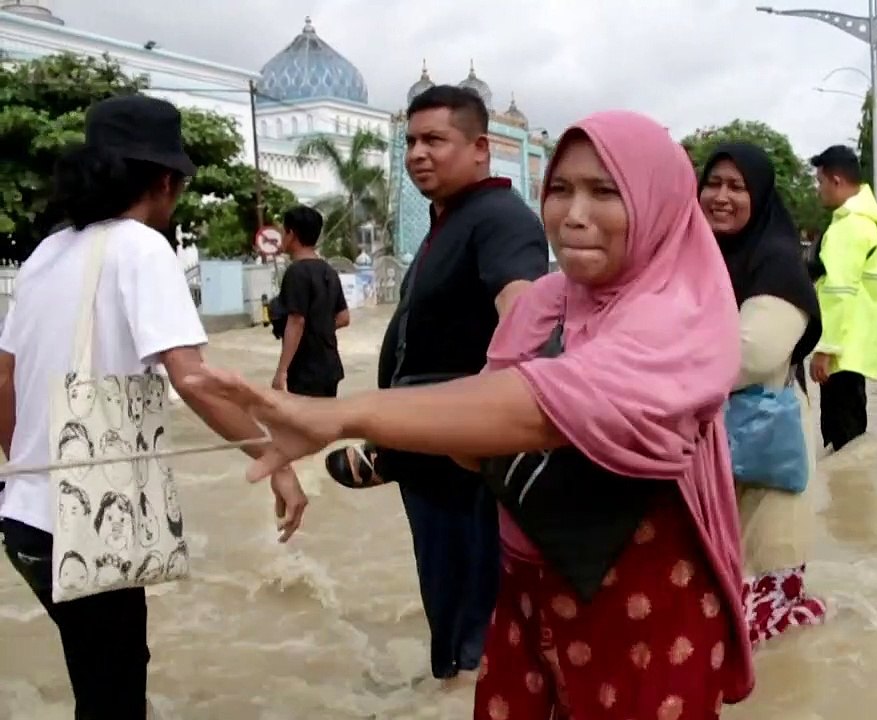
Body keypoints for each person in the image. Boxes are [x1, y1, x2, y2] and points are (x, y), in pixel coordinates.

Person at [189, 109, 753, 719]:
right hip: (530, 584)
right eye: (560, 189)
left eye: (605, 191)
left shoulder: (680, 315)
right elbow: (485, 429)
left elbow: (546, 404)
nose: (574, 214)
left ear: (658, 202)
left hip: (643, 595)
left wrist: (344, 417)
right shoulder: (548, 301)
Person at [0, 95, 307, 719]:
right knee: (114, 692)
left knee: (96, 678)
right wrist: (273, 454)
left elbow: (2, 379)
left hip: (24, 518)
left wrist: (30, 466)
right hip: (85, 521)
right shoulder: (141, 248)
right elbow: (193, 380)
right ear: (166, 180)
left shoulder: (43, 255)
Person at [323, 84, 548, 685]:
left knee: (476, 606)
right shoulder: (450, 221)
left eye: (435, 140)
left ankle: (474, 689)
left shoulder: (500, 219)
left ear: (480, 148)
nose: (419, 153)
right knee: (447, 593)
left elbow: (524, 324)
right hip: (428, 450)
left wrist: (472, 430)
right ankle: (452, 686)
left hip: (463, 458)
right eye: (412, 141)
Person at [698, 143, 827, 647]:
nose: (722, 197)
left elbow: (752, 351)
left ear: (761, 196)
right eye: (713, 183)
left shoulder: (776, 260)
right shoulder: (693, 254)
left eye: (737, 187)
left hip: (767, 438)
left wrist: (653, 368)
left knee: (767, 594)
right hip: (705, 439)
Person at [807, 145, 877, 452]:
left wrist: (824, 349)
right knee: (851, 432)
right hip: (856, 340)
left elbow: (837, 292)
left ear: (836, 180)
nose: (819, 190)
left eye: (820, 182)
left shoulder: (849, 226)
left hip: (842, 346)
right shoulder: (866, 222)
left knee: (842, 437)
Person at [271, 205, 349, 397]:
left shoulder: (296, 272)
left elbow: (296, 321)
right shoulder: (328, 271)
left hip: (306, 369)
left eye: (283, 231)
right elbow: (343, 317)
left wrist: (282, 371)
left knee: (306, 424)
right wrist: (320, 328)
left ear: (292, 234)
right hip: (329, 364)